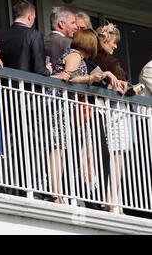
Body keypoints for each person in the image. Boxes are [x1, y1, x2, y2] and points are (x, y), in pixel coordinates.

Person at [49, 29, 117, 204]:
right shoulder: (74, 56)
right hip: (59, 105)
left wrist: (107, 74)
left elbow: (95, 74)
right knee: (59, 149)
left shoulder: (81, 58)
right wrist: (88, 78)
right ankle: (55, 192)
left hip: (65, 106)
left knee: (62, 149)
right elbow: (68, 77)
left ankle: (57, 191)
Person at [93, 23, 131, 213]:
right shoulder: (111, 62)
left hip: (101, 110)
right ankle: (112, 199)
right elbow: (122, 87)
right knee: (118, 155)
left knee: (108, 154)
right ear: (106, 40)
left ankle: (111, 198)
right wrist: (129, 88)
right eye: (114, 42)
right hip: (115, 111)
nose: (115, 46)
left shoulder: (92, 58)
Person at [1, 0, 51, 76]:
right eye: (34, 17)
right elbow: (39, 69)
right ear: (30, 17)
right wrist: (47, 71)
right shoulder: (34, 34)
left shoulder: (0, 34)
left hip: (3, 84)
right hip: (26, 85)